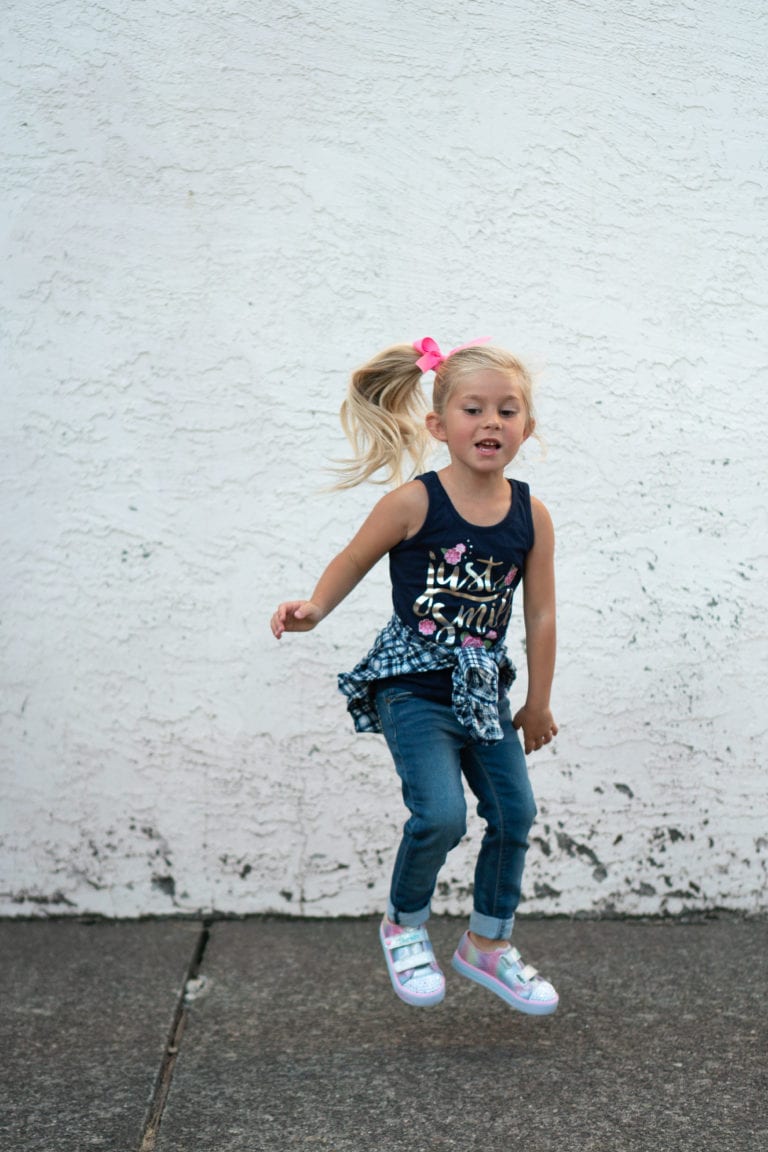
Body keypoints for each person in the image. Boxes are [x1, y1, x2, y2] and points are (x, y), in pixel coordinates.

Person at [271, 336, 559, 1015]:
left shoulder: (531, 514)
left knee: (515, 813)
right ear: (438, 425)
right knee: (441, 816)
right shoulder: (414, 502)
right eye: (473, 409)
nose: (491, 422)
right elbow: (354, 558)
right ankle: (403, 925)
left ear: (527, 427)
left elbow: (541, 613)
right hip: (413, 687)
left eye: (508, 410)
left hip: (482, 691)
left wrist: (537, 701)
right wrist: (315, 609)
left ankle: (486, 943)